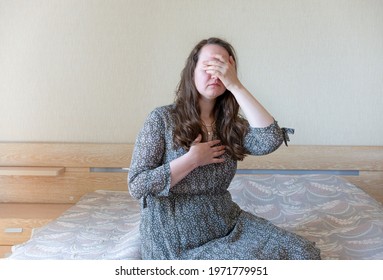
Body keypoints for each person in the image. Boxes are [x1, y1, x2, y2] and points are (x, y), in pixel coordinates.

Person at [128, 37, 321, 260]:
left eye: (223, 68)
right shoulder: (161, 119)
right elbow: (137, 185)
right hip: (174, 232)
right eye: (208, 66)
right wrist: (192, 160)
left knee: (302, 253)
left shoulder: (230, 125)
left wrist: (235, 86)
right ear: (192, 72)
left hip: (224, 221)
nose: (215, 74)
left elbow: (269, 139)